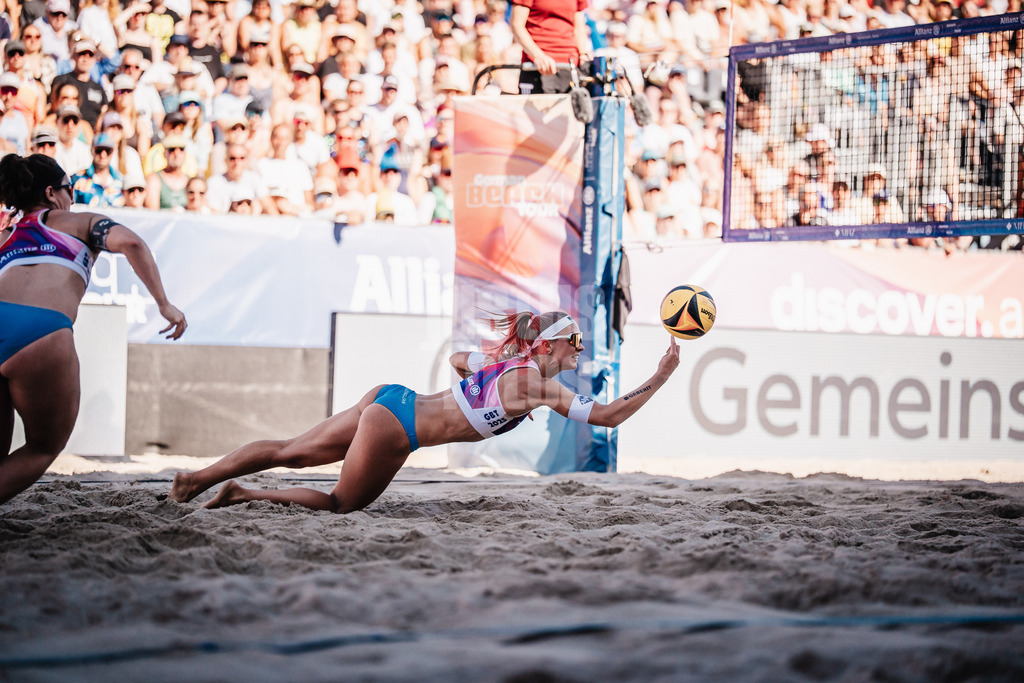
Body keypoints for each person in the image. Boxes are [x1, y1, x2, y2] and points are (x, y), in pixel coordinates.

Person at [169, 311, 680, 513]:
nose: (579, 352)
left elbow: (459, 359)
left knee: (292, 451)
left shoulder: (511, 366)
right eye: (573, 344)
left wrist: (479, 391)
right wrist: (660, 376)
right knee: (341, 504)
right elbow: (610, 416)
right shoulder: (533, 384)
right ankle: (241, 492)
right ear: (547, 347)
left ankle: (197, 478)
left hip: (392, 397)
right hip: (397, 428)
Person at [0, 153, 187, 505]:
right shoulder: (75, 222)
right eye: (71, 190)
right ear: (53, 193)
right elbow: (132, 243)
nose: (74, 199)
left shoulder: (6, 234)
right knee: (43, 446)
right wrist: (164, 303)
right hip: (39, 329)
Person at [510, 0, 590, 95]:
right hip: (537, 67)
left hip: (570, 67)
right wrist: (538, 56)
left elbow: (579, 27)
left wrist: (583, 54)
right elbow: (517, 25)